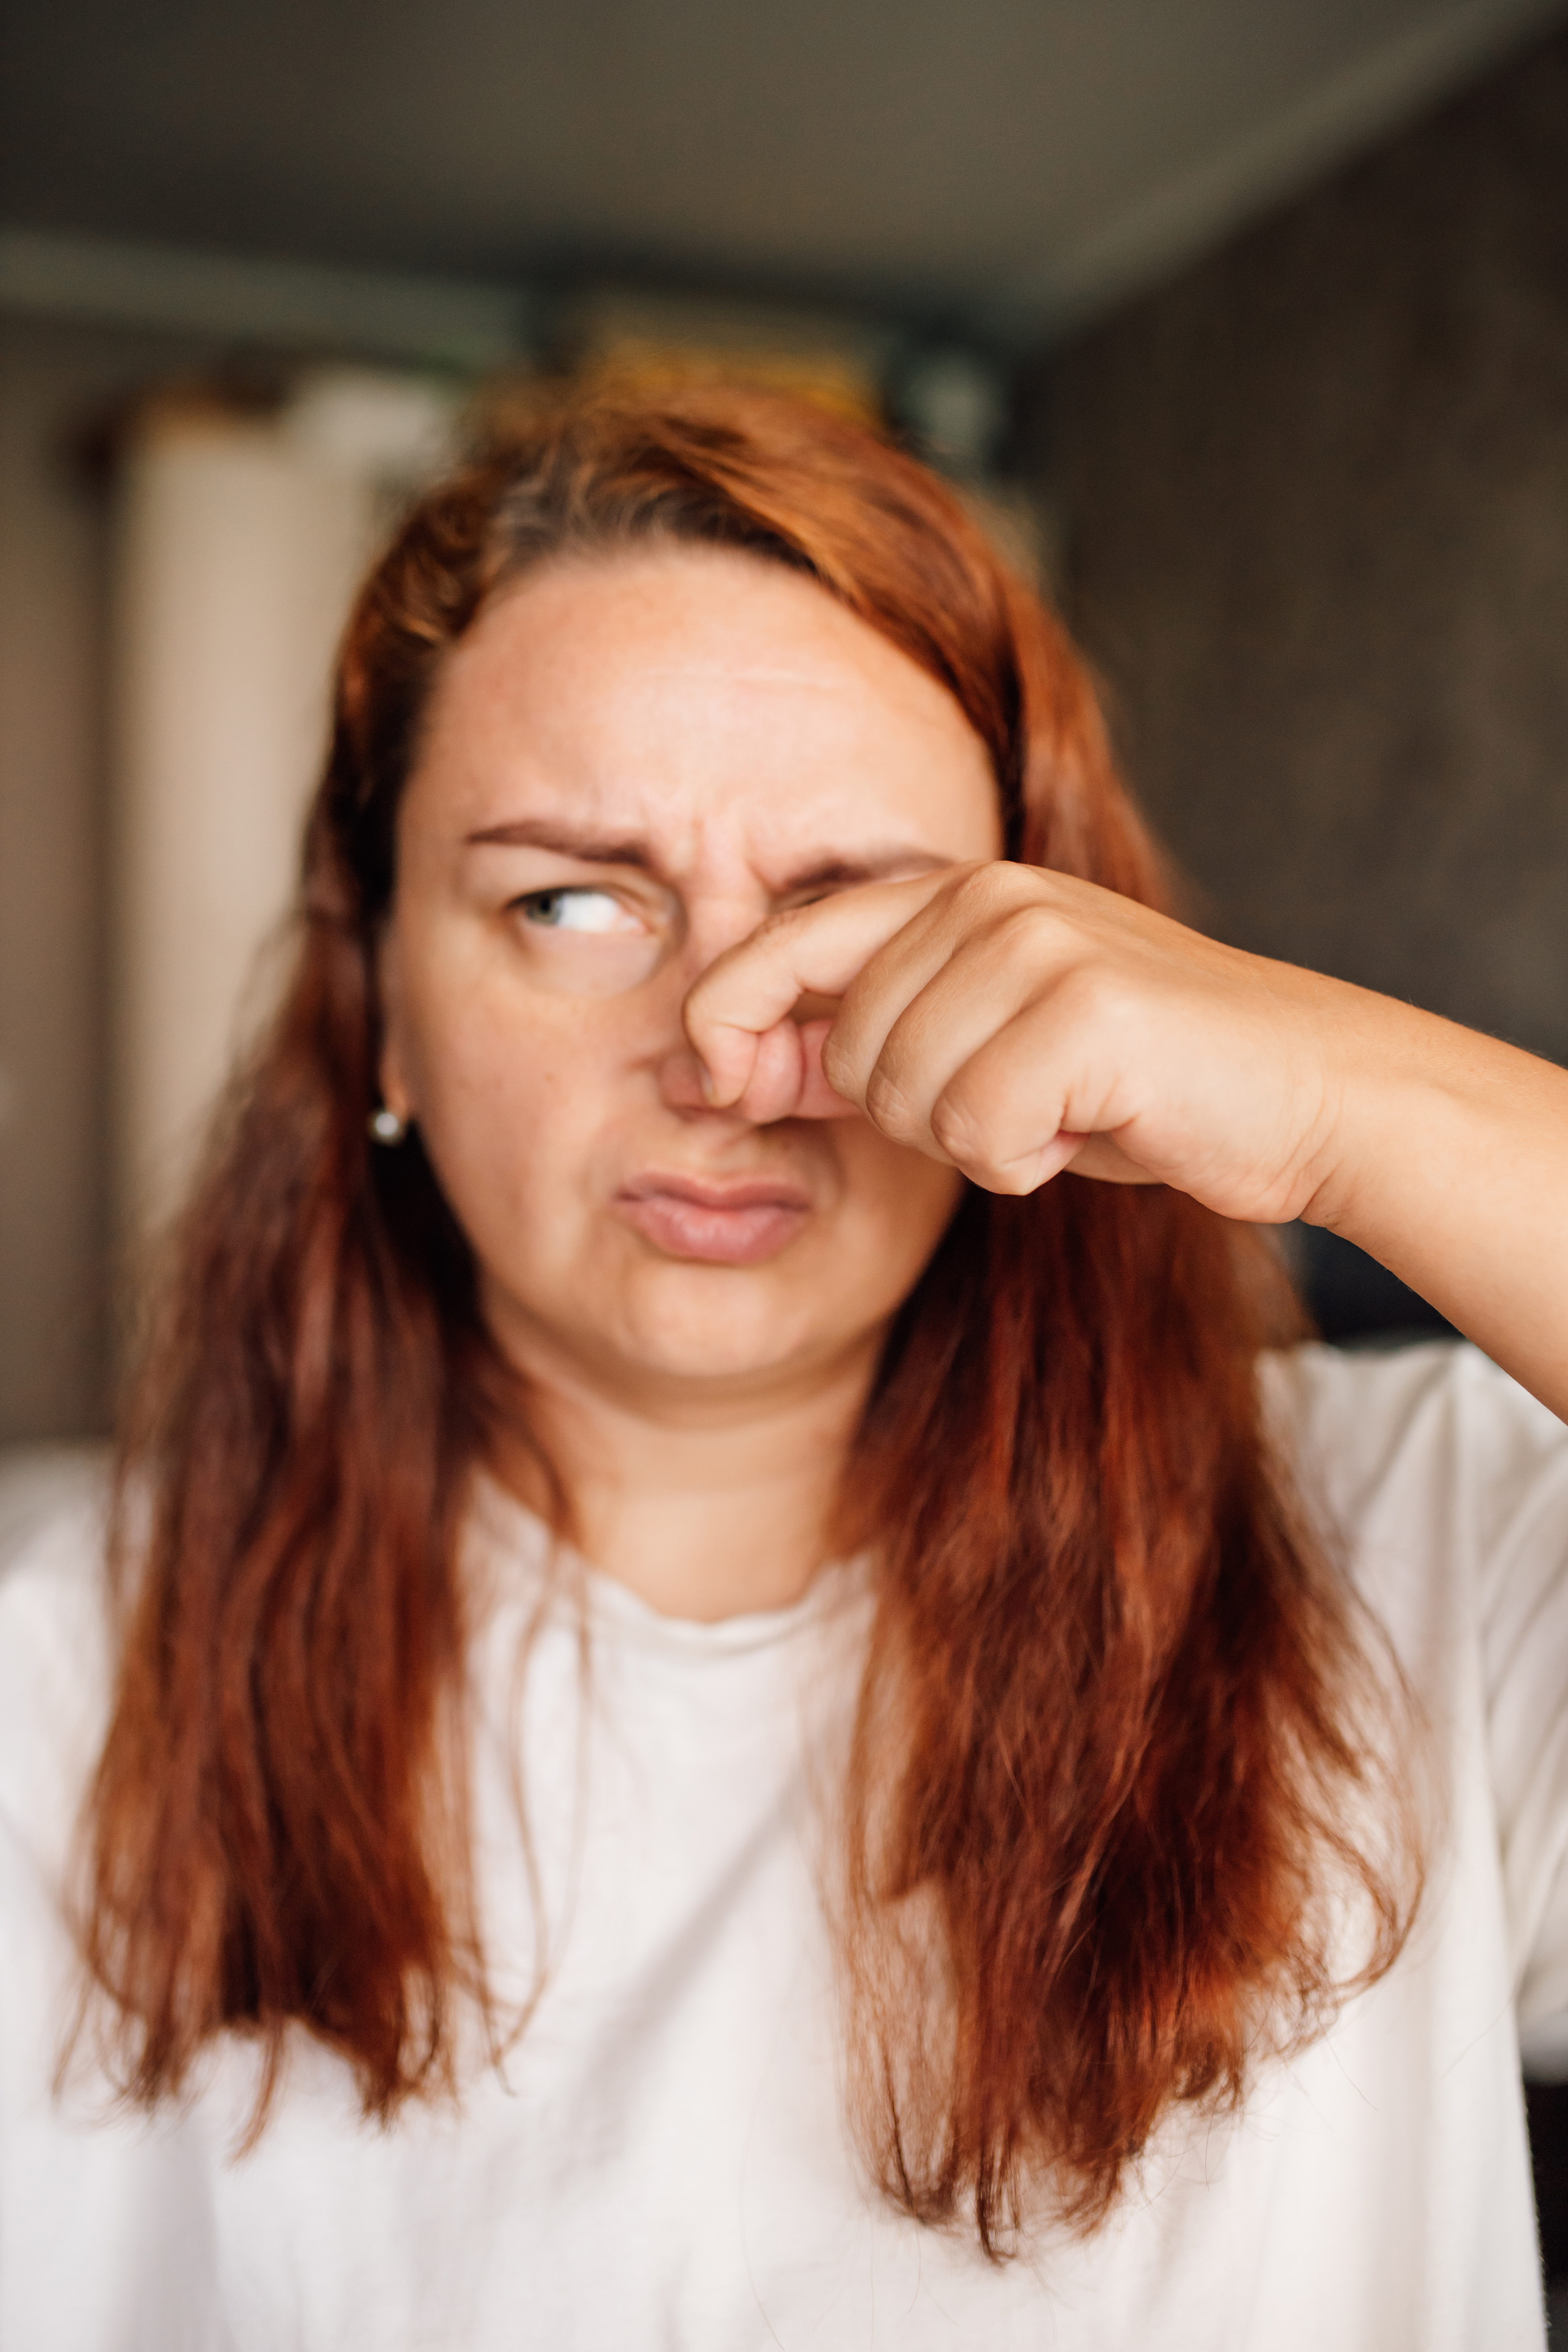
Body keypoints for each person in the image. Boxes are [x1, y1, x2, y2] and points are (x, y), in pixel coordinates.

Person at [1, 383, 1565, 2350]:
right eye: (569, 902)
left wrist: (1351, 1103)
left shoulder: (1420, 1541)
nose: (726, 1052)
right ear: (377, 1004)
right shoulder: (56, 1698)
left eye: (856, 915)